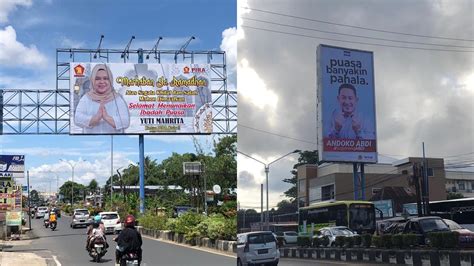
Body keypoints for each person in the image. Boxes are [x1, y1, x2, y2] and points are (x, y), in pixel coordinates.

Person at [74, 64, 130, 134]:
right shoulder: (86, 98)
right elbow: (77, 118)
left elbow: (125, 121)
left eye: (106, 78)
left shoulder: (117, 99)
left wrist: (107, 118)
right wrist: (95, 118)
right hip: (91, 141)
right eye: (97, 79)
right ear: (92, 80)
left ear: (110, 80)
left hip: (114, 141)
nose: (102, 82)